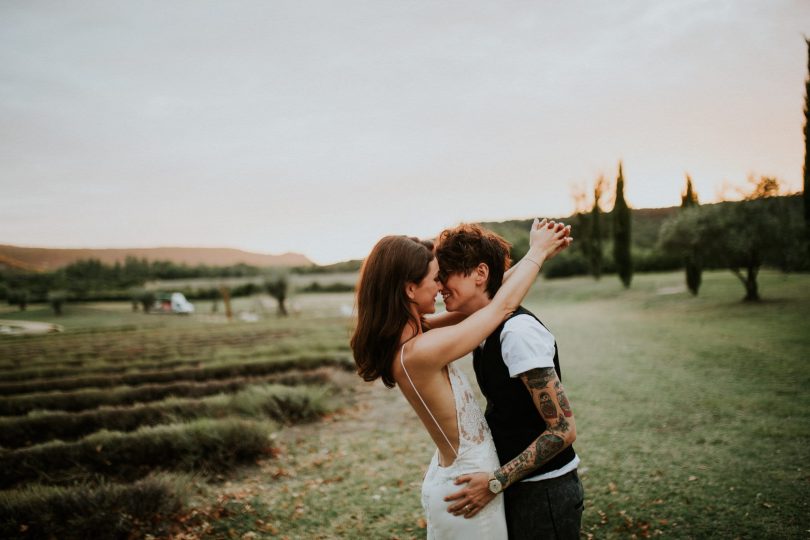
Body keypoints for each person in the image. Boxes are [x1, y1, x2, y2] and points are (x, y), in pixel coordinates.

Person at [350, 218, 571, 539]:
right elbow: (501, 306)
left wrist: (535, 256)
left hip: (461, 477)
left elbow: (489, 296)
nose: (439, 286)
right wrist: (537, 251)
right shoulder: (420, 350)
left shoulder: (414, 337)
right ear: (410, 288)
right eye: (434, 278)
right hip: (468, 485)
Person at [435, 223, 583, 540]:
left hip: (544, 492)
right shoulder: (480, 325)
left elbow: (563, 429)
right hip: (517, 487)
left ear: (480, 273)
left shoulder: (518, 334)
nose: (439, 285)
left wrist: (494, 481)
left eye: (446, 272)